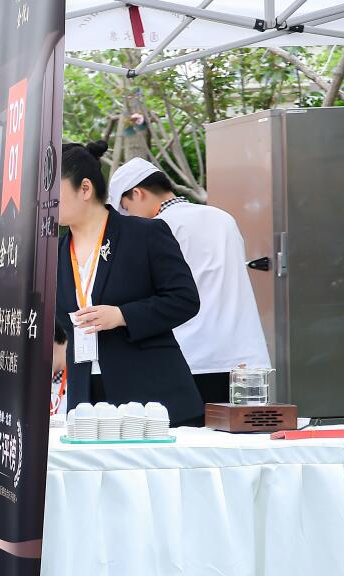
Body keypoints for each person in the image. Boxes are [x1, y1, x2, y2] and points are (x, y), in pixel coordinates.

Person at [55, 141, 204, 425]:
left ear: (84, 189)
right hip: (86, 398)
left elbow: (185, 299)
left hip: (151, 393)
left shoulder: (145, 234)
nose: (45, 202)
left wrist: (122, 315)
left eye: (52, 192)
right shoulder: (56, 253)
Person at [107, 158, 271, 403]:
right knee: (240, 427)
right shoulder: (223, 218)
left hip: (189, 357)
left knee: (189, 428)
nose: (130, 218)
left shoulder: (155, 230)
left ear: (138, 194)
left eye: (126, 209)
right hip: (244, 358)